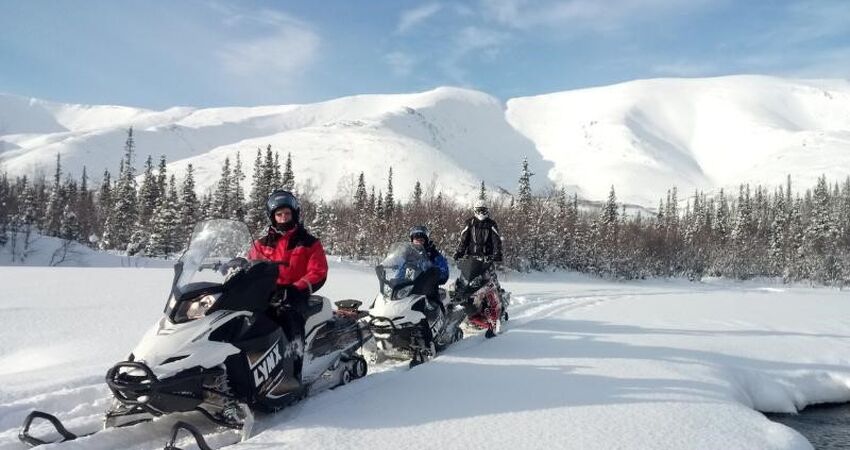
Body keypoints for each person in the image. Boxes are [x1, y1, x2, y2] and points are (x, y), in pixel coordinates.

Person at [247, 190, 328, 343]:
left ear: (294, 214)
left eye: (286, 213)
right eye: (279, 214)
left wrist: (295, 289)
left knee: (288, 317)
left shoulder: (309, 242)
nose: (283, 218)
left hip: (294, 295)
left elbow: (318, 271)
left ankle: (294, 358)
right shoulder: (260, 244)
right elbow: (251, 266)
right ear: (272, 217)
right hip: (265, 294)